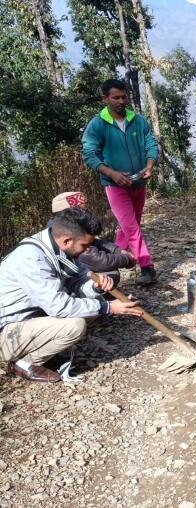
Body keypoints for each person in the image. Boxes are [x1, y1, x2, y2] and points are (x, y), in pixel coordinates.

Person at [0, 208, 142, 383]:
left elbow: (75, 286)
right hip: (7, 332)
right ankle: (26, 363)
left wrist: (95, 287)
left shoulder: (57, 246)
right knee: (75, 324)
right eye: (85, 245)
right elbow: (59, 306)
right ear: (67, 240)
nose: (88, 250)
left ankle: (45, 350)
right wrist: (109, 307)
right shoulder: (32, 259)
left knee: (90, 308)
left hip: (31, 318)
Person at [81, 79, 159, 286]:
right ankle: (147, 267)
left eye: (123, 97)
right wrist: (112, 173)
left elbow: (151, 143)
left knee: (128, 227)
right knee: (132, 228)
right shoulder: (97, 125)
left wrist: (149, 165)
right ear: (105, 98)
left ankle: (113, 261)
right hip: (115, 187)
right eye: (115, 97)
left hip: (138, 184)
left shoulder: (138, 121)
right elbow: (89, 155)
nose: (121, 101)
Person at [52, 192, 136, 286]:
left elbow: (96, 242)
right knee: (111, 274)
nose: (85, 214)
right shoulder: (69, 236)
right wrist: (127, 259)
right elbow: (100, 261)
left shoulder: (67, 228)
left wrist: (117, 250)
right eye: (80, 211)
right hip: (70, 284)